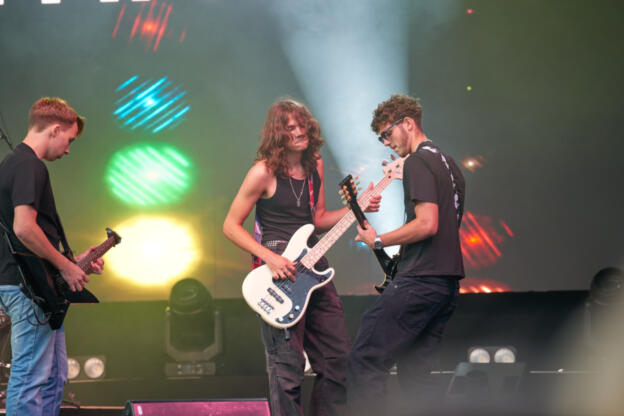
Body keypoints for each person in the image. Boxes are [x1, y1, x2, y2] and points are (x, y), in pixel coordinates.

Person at [223, 98, 380, 416]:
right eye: (291, 127)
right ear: (277, 133)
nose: (299, 131)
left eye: (302, 124)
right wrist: (269, 257)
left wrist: (357, 207)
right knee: (287, 368)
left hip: (314, 267)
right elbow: (230, 226)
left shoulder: (314, 165)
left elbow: (317, 219)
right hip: (278, 273)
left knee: (337, 361)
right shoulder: (263, 172)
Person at [347, 94, 465, 415]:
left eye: (387, 133)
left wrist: (377, 240)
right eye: (381, 138)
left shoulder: (417, 161)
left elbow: (427, 224)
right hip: (446, 285)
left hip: (420, 281)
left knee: (365, 358)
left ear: (408, 124)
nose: (386, 142)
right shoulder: (449, 164)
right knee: (417, 379)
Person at [0, 97, 104, 416]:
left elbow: (26, 234)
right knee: (31, 377)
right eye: (69, 140)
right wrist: (65, 267)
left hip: (33, 286)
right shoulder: (29, 165)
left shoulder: (14, 164)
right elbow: (24, 228)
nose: (68, 149)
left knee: (52, 378)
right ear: (55, 129)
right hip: (27, 288)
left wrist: (71, 262)